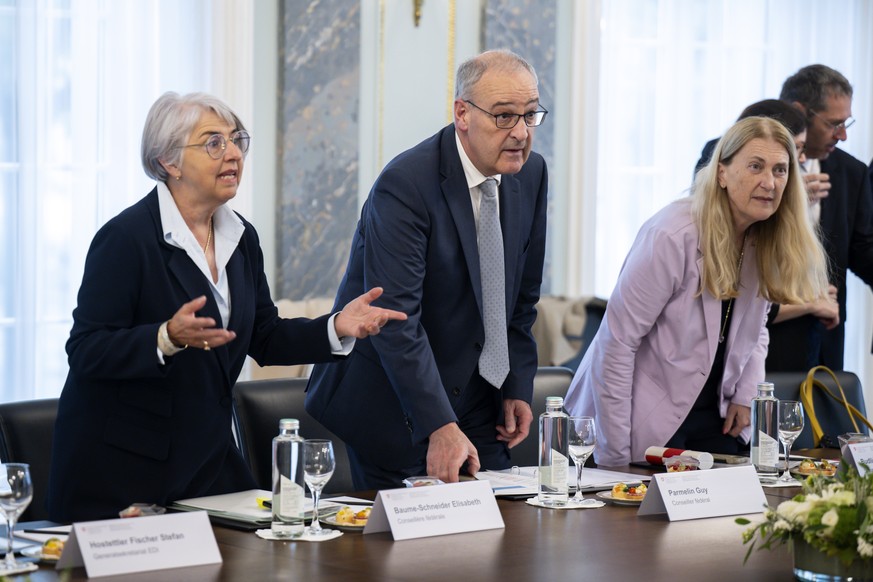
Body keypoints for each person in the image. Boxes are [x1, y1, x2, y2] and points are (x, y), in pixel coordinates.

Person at [46, 92, 406, 522]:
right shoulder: (126, 239)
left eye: (237, 140)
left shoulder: (241, 237)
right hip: (122, 470)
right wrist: (165, 337)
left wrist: (337, 327)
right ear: (169, 162)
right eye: (214, 142)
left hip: (206, 459)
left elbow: (265, 337)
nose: (233, 153)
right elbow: (86, 350)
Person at [305, 49, 549, 489]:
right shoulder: (406, 185)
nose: (520, 133)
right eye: (504, 116)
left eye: (531, 115)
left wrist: (516, 384)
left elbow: (520, 298)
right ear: (462, 113)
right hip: (394, 401)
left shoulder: (530, 174)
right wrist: (438, 424)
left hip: (478, 399)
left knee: (503, 536)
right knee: (406, 550)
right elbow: (394, 321)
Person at [565, 117, 830, 467]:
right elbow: (616, 346)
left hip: (712, 416)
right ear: (721, 173)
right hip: (637, 418)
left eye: (780, 170)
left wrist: (745, 394)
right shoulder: (673, 235)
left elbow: (756, 329)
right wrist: (612, 455)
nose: (769, 182)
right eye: (755, 166)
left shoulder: (763, 236)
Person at [694, 99, 840, 371]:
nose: (804, 159)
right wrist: (809, 303)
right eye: (797, 148)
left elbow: (755, 320)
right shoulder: (680, 233)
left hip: (772, 360)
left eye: (780, 169)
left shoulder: (767, 223)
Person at [779, 64, 873, 369]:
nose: (843, 135)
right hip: (758, 339)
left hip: (823, 344)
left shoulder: (852, 173)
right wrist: (785, 198)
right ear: (799, 112)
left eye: (847, 123)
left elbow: (864, 253)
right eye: (834, 124)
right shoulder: (729, 157)